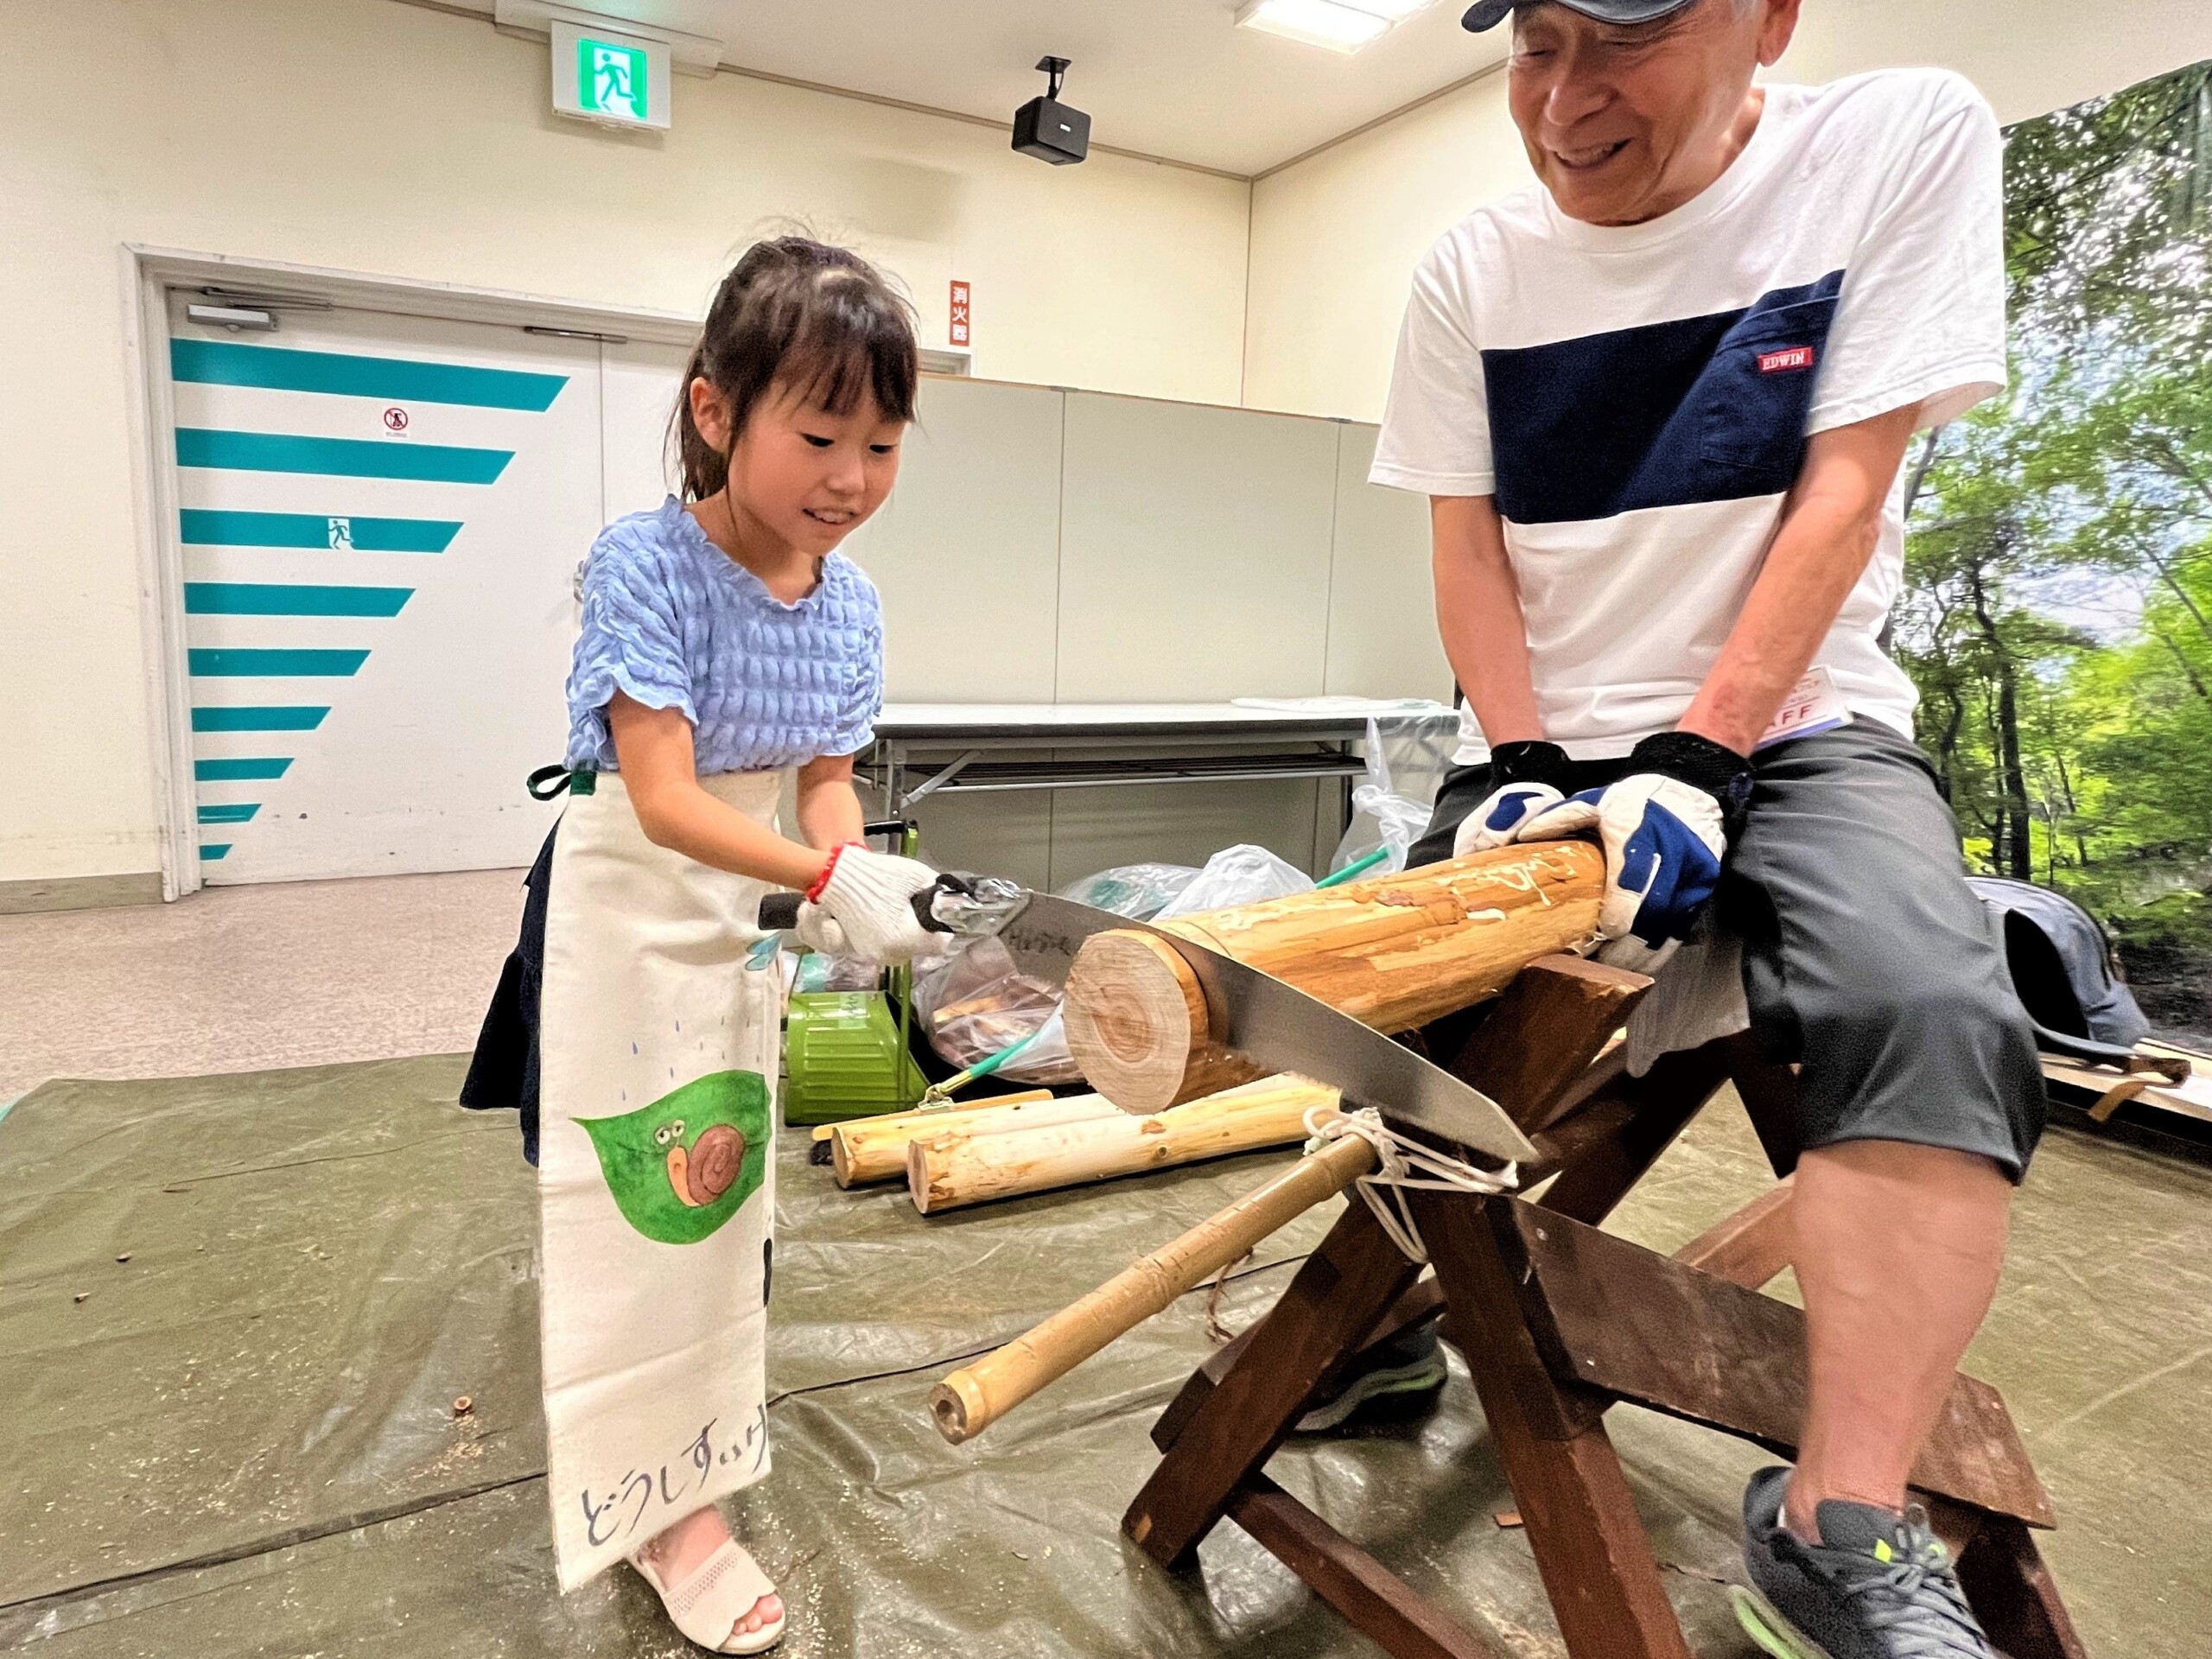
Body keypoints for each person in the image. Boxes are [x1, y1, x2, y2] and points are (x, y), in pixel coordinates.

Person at [1334, 3, 2041, 1655]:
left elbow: (1846, 485)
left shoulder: (1891, 144)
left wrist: (1704, 751)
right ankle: (1374, 1327)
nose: (1564, 102)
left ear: (1767, 15)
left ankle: (1840, 1520)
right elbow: (1470, 548)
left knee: (1929, 1006)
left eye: (1622, 44)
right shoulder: (1472, 267)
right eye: (1535, 44)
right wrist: (1517, 756)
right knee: (1381, 1014)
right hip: (1547, 741)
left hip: (1792, 728)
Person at [462, 236, 946, 1653]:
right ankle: (662, 1505)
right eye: (818, 433)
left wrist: (848, 870)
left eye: (882, 442)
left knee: (719, 1186)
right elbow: (666, 800)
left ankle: (686, 1456)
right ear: (718, 410)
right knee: (610, 1195)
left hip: (743, 918)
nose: (850, 479)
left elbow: (822, 777)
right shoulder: (645, 564)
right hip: (624, 895)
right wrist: (823, 872)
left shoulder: (848, 601)